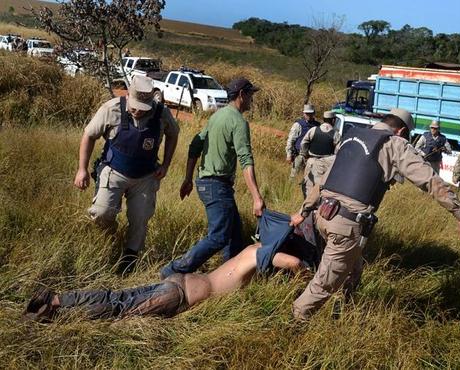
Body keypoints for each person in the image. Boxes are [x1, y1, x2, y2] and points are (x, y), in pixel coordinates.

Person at [289, 108, 460, 320]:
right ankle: (293, 324)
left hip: (323, 215)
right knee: (324, 284)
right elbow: (430, 180)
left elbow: (323, 181)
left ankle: (341, 317)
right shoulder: (394, 144)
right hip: (346, 225)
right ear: (402, 131)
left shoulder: (352, 137)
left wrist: (303, 212)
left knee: (353, 270)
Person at [23, 210, 318, 322]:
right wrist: (305, 272)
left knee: (117, 298)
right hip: (179, 296)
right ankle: (56, 311)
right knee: (118, 310)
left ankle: (57, 300)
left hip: (178, 284)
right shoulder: (257, 254)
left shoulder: (251, 247)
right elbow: (289, 261)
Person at [159, 78, 265, 279]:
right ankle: (173, 271)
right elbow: (246, 160)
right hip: (217, 186)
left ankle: (231, 278)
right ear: (242, 94)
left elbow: (195, 145)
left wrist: (188, 179)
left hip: (206, 183)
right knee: (219, 236)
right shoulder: (238, 122)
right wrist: (257, 198)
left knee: (234, 235)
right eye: (251, 94)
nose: (252, 99)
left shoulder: (217, 116)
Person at [73, 75, 179, 273]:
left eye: (143, 107)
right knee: (102, 213)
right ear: (129, 96)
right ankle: (110, 239)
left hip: (145, 177)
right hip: (113, 171)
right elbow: (89, 135)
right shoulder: (111, 109)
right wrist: (82, 169)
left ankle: (129, 258)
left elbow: (174, 134)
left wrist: (165, 165)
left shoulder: (161, 113)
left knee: (140, 218)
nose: (138, 111)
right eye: (134, 106)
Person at [299, 110, 339, 197]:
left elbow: (304, 143)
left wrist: (304, 154)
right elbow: (337, 152)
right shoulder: (335, 134)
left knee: (307, 186)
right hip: (325, 165)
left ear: (324, 119)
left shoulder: (313, 130)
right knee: (320, 189)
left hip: (311, 161)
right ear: (333, 120)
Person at [286, 104, 321, 179]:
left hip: (313, 157)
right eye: (307, 113)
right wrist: (289, 154)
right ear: (304, 113)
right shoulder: (298, 125)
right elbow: (291, 140)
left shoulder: (318, 126)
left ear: (313, 113)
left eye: (310, 113)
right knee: (293, 177)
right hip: (299, 155)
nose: (308, 115)